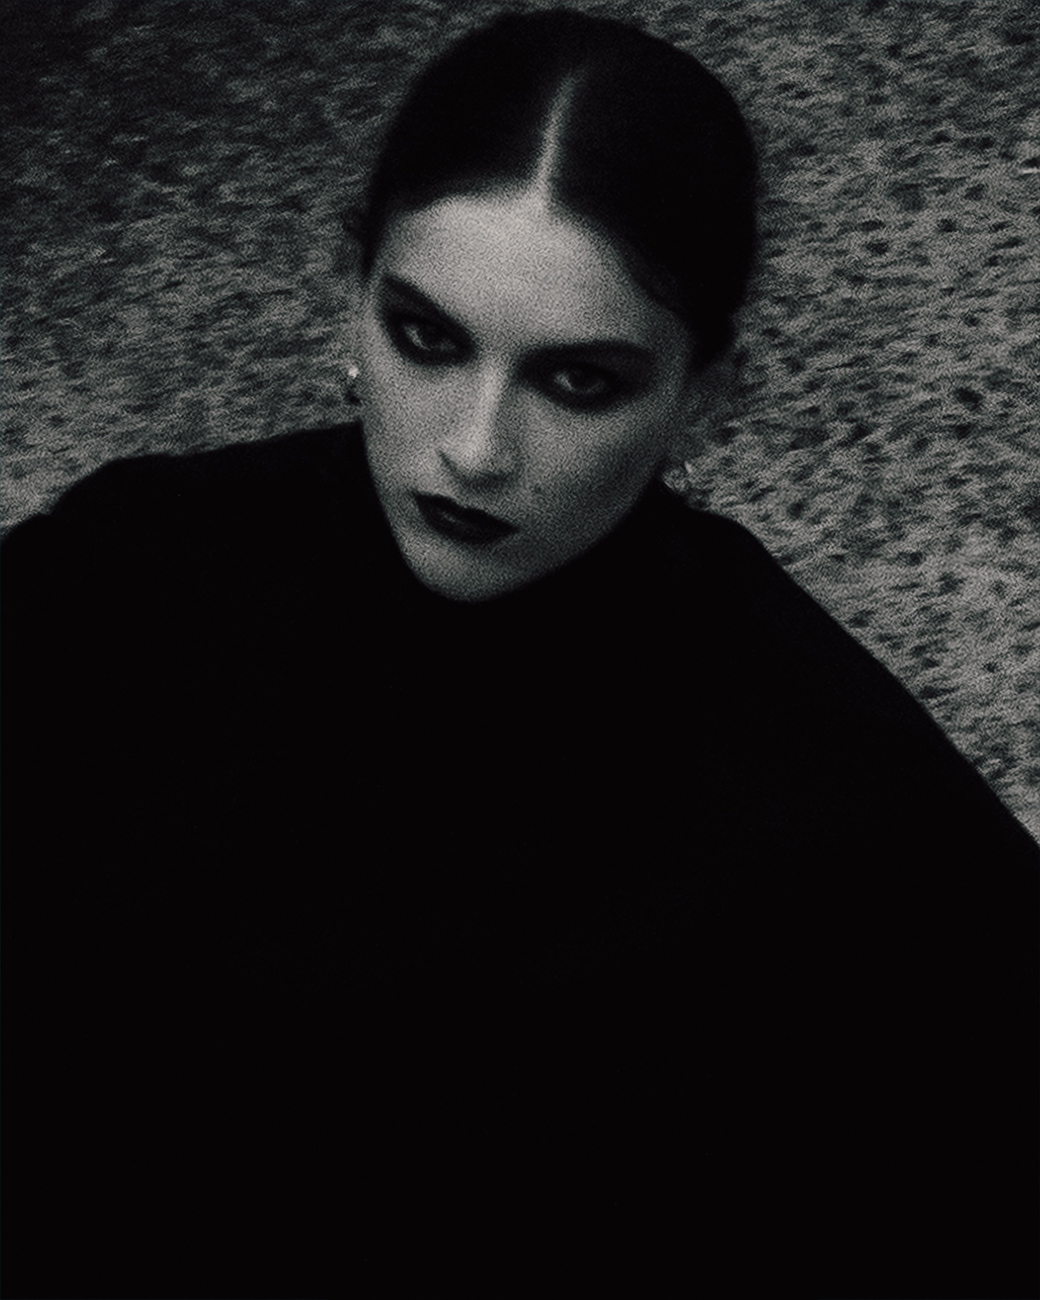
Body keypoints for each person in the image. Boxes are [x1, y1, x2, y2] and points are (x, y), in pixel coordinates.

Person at [3, 10, 1036, 1297]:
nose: (476, 449)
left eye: (577, 381)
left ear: (703, 393)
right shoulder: (128, 571)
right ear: (351, 298)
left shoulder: (834, 809)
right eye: (426, 338)